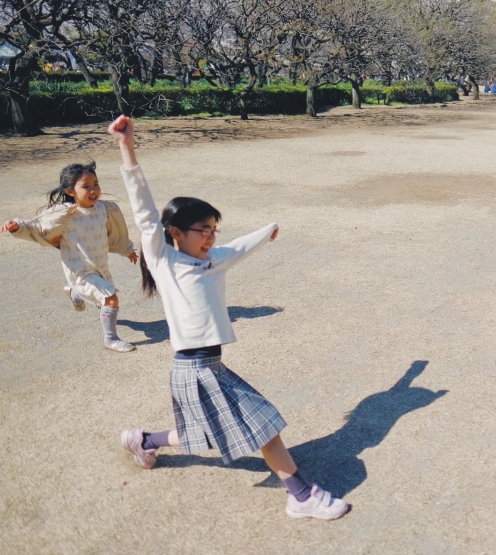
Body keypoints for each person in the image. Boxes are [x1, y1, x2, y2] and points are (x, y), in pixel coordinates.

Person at [107, 115, 349, 521]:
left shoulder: (212, 260)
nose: (211, 238)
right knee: (262, 425)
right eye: (204, 230)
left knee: (206, 433)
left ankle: (145, 439)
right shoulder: (165, 260)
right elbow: (145, 211)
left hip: (208, 363)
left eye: (214, 230)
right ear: (176, 232)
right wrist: (127, 147)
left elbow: (237, 248)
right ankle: (301, 496)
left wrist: (267, 229)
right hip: (194, 366)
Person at [0, 161, 138, 352]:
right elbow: (38, 226)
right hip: (79, 269)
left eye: (95, 184)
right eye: (86, 186)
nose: (93, 190)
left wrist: (127, 249)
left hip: (99, 265)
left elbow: (115, 233)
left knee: (104, 296)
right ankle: (110, 339)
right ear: (71, 191)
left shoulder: (104, 209)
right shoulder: (64, 213)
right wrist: (17, 226)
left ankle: (74, 292)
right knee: (110, 298)